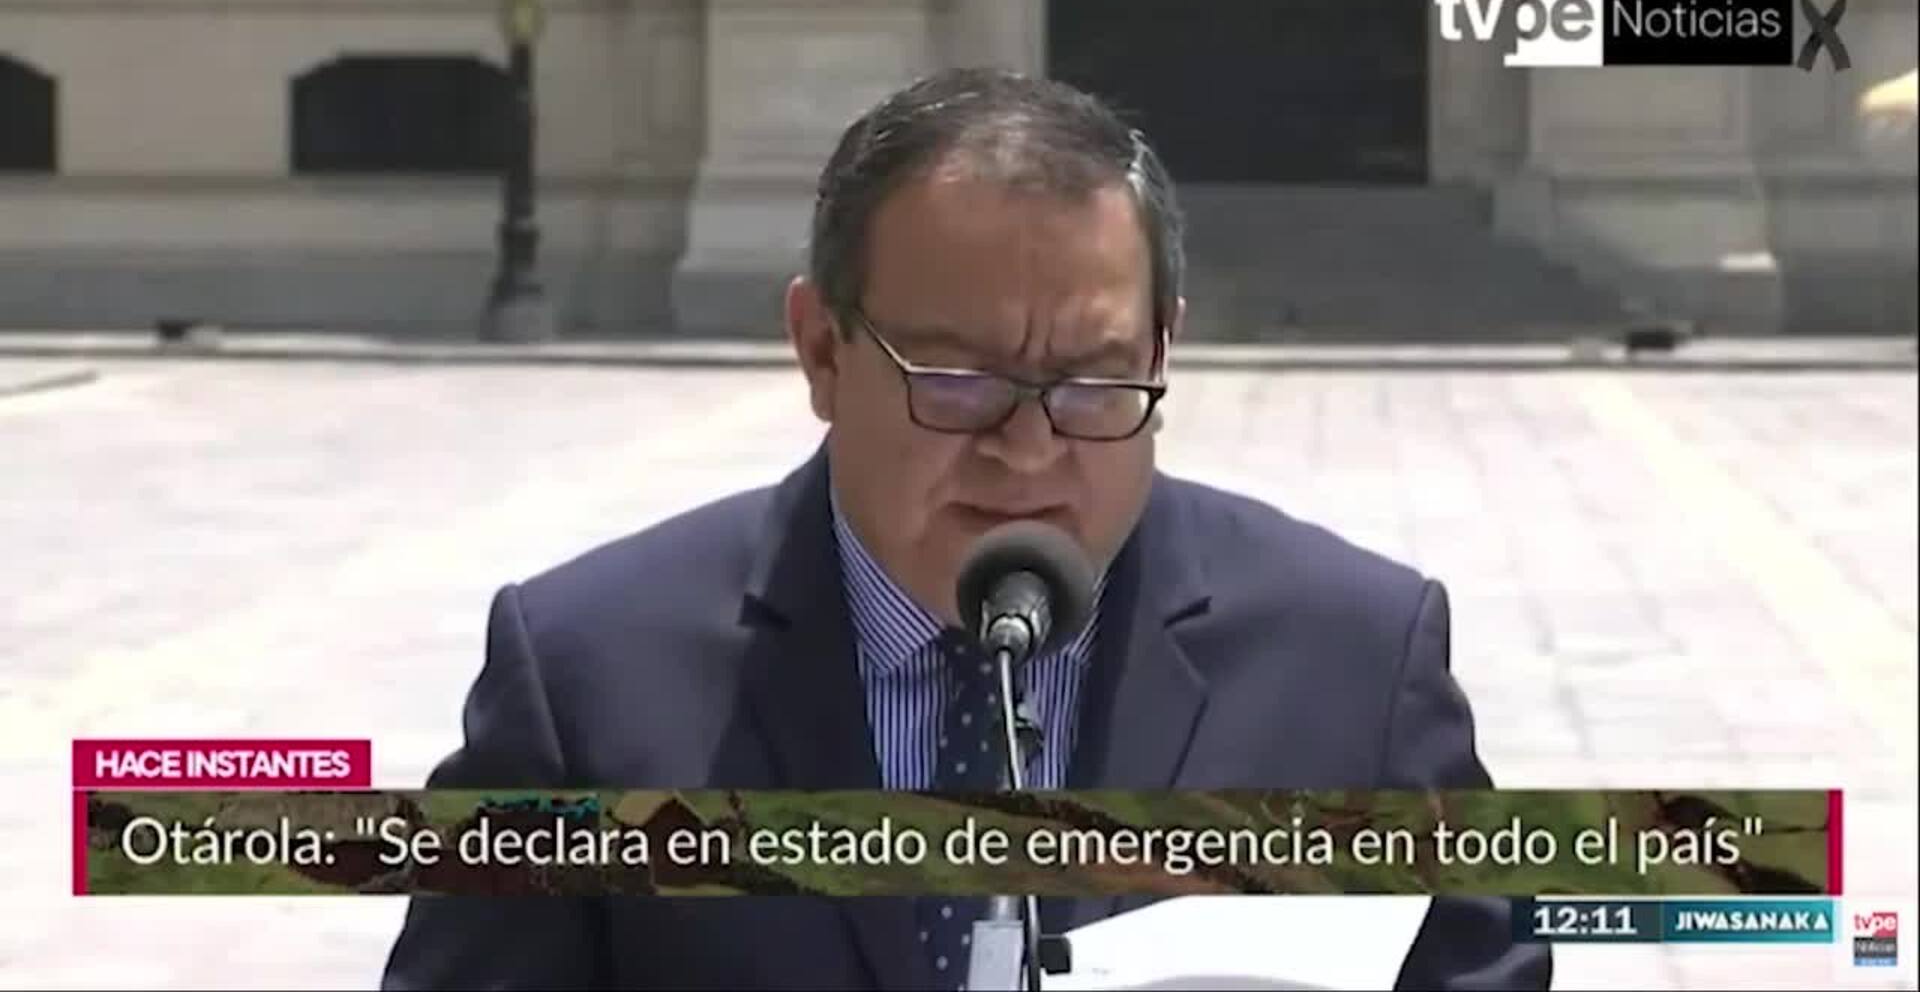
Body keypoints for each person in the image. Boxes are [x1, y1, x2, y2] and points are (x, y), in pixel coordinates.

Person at [381, 67, 1551, 991]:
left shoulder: (1355, 664)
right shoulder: (587, 679)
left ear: (1164, 350)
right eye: (957, 380)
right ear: (821, 350)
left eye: (1094, 383)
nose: (1028, 452)